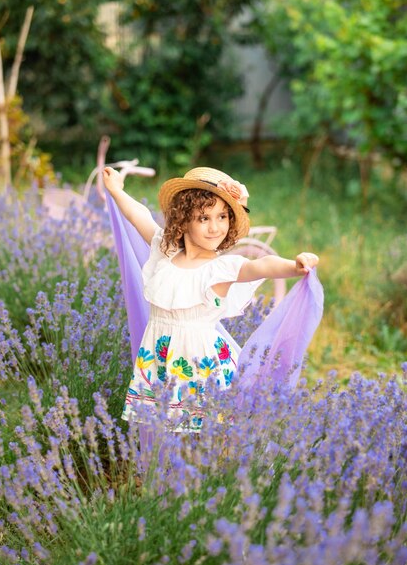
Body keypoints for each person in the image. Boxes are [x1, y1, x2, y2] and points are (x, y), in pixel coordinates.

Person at [103, 166, 319, 433]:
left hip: (202, 364)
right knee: (164, 429)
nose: (215, 227)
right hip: (160, 358)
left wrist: (294, 265)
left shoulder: (221, 268)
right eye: (204, 218)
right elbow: (140, 217)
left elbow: (261, 265)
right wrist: (117, 191)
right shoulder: (166, 251)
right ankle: (169, 473)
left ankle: (211, 471)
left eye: (222, 217)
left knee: (210, 431)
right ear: (183, 219)